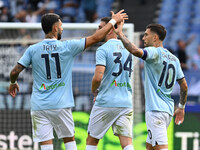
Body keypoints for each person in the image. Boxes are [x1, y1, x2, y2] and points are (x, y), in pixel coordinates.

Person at [8, 10, 128, 150]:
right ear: (55, 28)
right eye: (61, 26)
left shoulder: (32, 49)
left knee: (46, 145)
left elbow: (14, 71)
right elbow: (96, 38)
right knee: (69, 141)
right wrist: (113, 21)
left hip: (39, 105)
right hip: (61, 104)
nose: (62, 28)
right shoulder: (67, 47)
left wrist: (12, 82)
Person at [115, 22, 188, 150]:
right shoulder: (174, 59)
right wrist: (181, 107)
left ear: (155, 38)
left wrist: (120, 34)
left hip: (156, 112)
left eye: (146, 35)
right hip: (167, 111)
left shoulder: (154, 52)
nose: (143, 38)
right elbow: (184, 86)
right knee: (150, 147)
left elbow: (135, 51)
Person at [86, 17, 134, 150]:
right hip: (125, 102)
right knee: (127, 143)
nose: (98, 31)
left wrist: (93, 90)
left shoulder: (103, 49)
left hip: (106, 101)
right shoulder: (129, 49)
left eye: (101, 28)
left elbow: (97, 78)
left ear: (110, 29)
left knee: (91, 140)